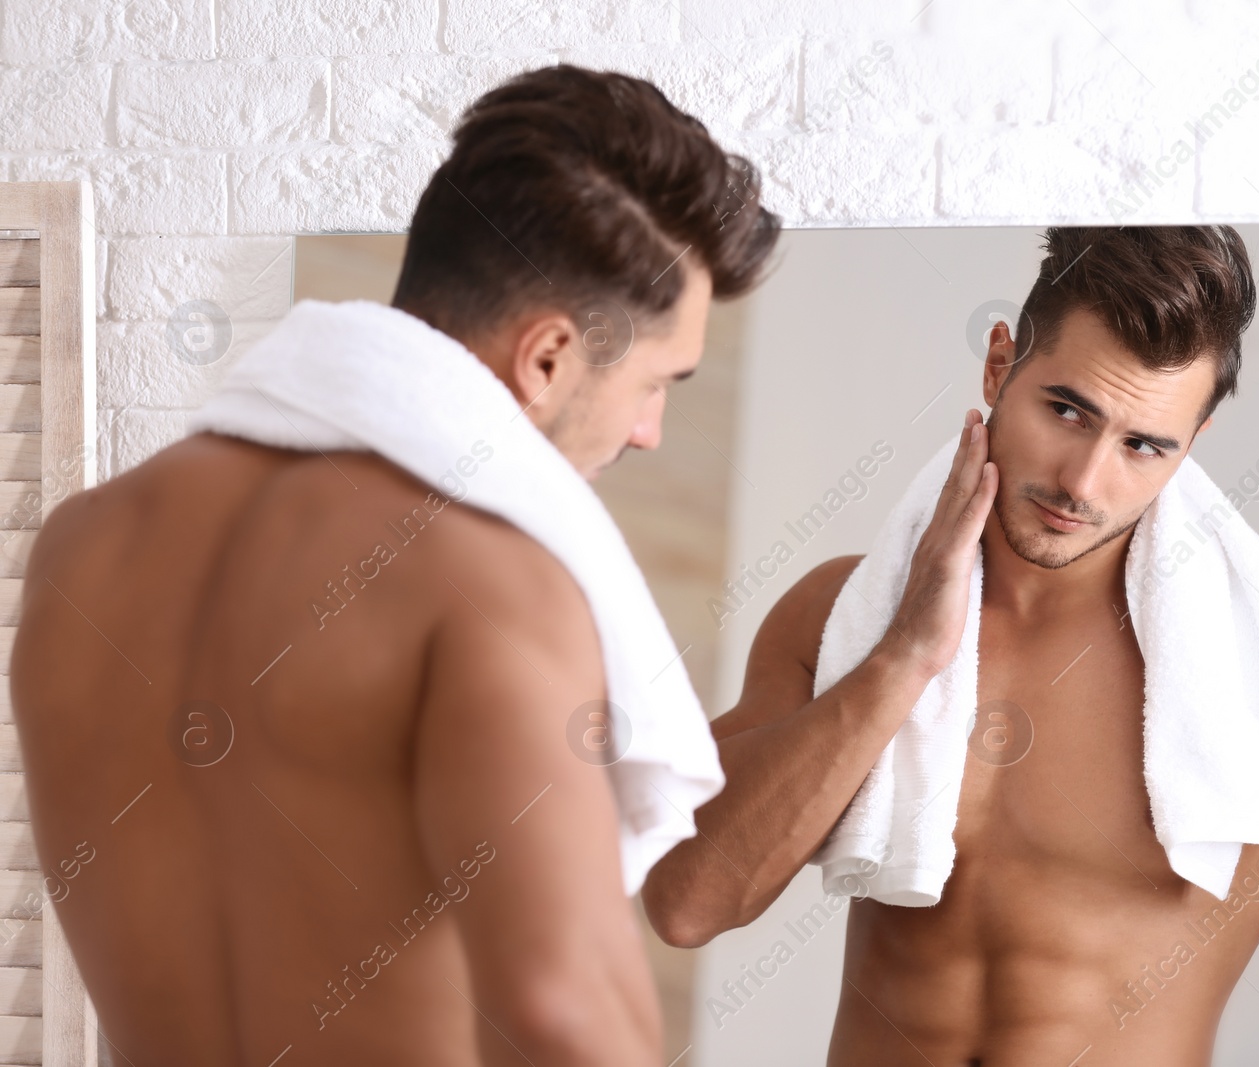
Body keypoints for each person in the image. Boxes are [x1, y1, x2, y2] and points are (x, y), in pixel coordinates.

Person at [10, 65, 776, 1067]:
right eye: (653, 382)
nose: (648, 431)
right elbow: (563, 1009)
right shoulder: (495, 582)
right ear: (547, 357)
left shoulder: (85, 544)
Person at [643, 225, 1259, 1066]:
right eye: (1068, 410)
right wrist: (904, 658)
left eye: (1144, 445)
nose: (1083, 482)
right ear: (999, 365)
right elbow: (686, 903)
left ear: (1194, 444)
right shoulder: (843, 616)